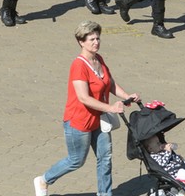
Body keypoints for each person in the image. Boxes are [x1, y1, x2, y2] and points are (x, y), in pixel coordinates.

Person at [34, 21, 140, 196]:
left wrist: (126, 96)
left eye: (98, 38)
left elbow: (109, 83)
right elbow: (84, 98)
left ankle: (104, 194)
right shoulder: (79, 66)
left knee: (105, 158)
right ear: (81, 42)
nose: (96, 42)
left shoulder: (99, 59)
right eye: (91, 39)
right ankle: (44, 180)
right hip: (79, 121)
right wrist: (111, 107)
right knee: (76, 160)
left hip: (99, 120)